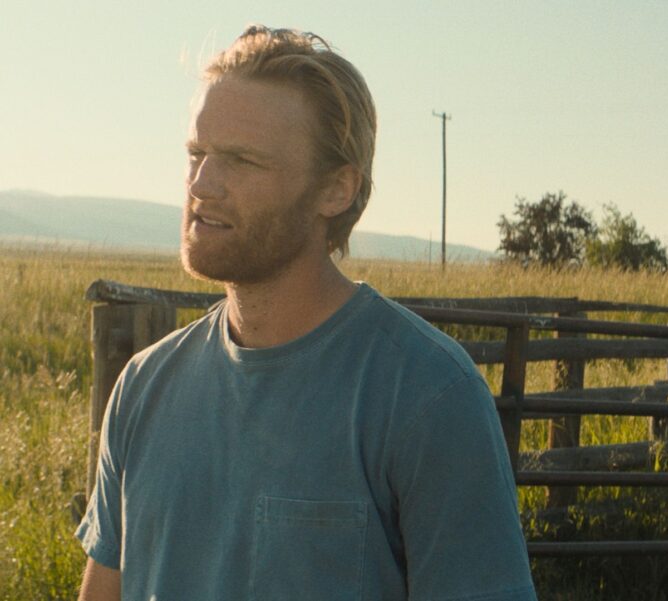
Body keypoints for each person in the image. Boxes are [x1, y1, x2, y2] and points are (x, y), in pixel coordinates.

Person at [76, 26, 536, 601]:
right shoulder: (144, 387)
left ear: (336, 190)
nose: (202, 184)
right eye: (197, 153)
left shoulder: (427, 394)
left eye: (242, 160)